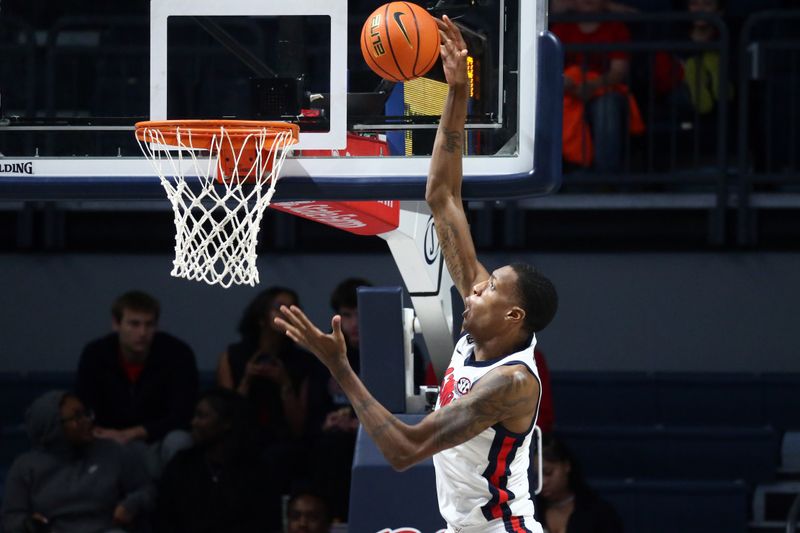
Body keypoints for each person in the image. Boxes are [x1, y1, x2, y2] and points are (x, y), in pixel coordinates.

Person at [275, 15, 558, 533]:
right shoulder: (483, 322)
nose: (478, 285)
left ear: (513, 315)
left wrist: (340, 367)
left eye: (492, 287)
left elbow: (404, 451)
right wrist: (456, 92)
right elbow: (442, 197)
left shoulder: (512, 382)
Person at [216, 286, 329, 492]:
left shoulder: (303, 363)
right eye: (279, 307)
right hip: (241, 434)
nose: (286, 313)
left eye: (293, 308)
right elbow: (225, 415)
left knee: (280, 455)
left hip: (282, 438)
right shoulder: (234, 356)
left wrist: (285, 383)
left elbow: (299, 427)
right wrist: (247, 380)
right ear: (261, 316)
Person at [76, 290, 198, 477]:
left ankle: (176, 502)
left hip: (158, 437)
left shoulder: (177, 354)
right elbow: (85, 405)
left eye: (149, 325)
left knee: (179, 441)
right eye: (134, 324)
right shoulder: (96, 354)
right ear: (116, 324)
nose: (142, 333)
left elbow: (183, 413)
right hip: (109, 436)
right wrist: (104, 432)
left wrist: (134, 433)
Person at [1, 391, 154, 533]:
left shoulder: (113, 451)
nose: (87, 421)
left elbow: (147, 489)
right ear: (53, 426)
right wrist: (28, 524)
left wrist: (132, 504)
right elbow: (10, 519)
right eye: (77, 417)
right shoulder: (26, 466)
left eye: (86, 414)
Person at [156, 388, 282, 533]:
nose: (193, 422)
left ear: (226, 423)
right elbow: (163, 518)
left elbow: (264, 523)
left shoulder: (255, 472)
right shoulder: (182, 464)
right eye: (194, 415)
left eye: (202, 416)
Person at [551, 0, 643, 172]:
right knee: (551, 105)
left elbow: (618, 71)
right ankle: (565, 170)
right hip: (568, 91)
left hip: (605, 89)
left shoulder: (616, 28)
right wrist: (568, 84)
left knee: (606, 107)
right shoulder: (561, 28)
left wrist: (591, 86)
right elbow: (551, 68)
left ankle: (605, 175)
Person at [535, 434, 623, 533]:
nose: (543, 482)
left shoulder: (598, 513)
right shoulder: (529, 512)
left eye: (548, 472)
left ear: (566, 466)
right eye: (536, 476)